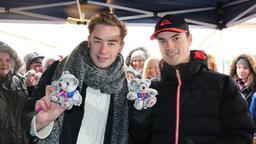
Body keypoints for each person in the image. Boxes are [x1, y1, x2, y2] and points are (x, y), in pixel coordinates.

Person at [129, 14, 255, 144]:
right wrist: (138, 120)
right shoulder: (151, 89)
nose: (169, 47)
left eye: (176, 38)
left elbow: (241, 133)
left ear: (189, 39)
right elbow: (139, 138)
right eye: (162, 41)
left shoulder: (222, 84)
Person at [21, 11, 129, 144]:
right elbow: (29, 113)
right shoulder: (59, 71)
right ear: (89, 40)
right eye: (97, 41)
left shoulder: (125, 86)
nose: (103, 50)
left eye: (111, 43)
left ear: (121, 46)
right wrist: (40, 122)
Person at [0, 41, 29, 144]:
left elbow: (27, 112)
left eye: (7, 60)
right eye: (0, 60)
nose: (4, 64)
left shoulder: (21, 82)